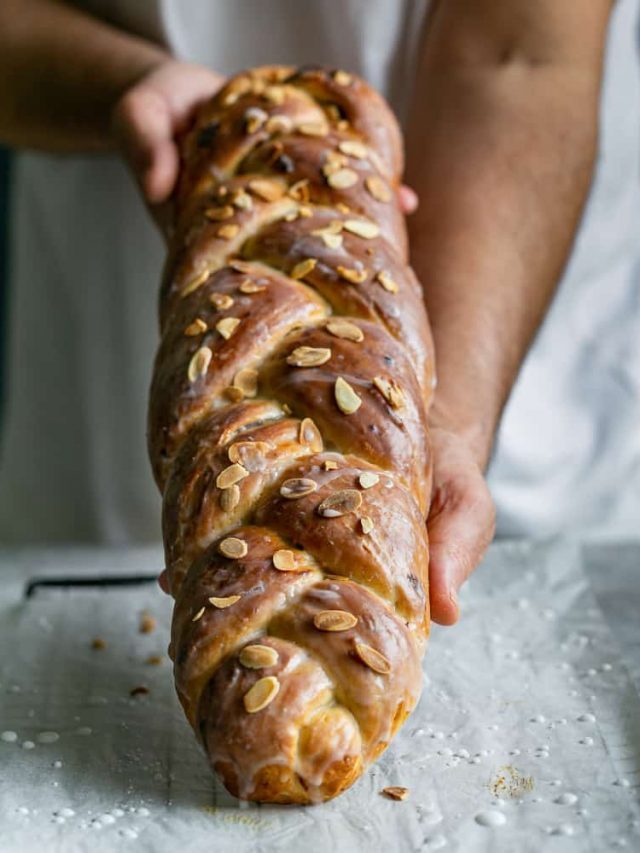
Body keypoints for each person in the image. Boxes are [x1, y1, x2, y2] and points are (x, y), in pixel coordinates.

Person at [0, 0, 637, 626]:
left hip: (493, 296)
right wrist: (124, 83)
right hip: (112, 277)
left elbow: (523, 57)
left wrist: (441, 421)